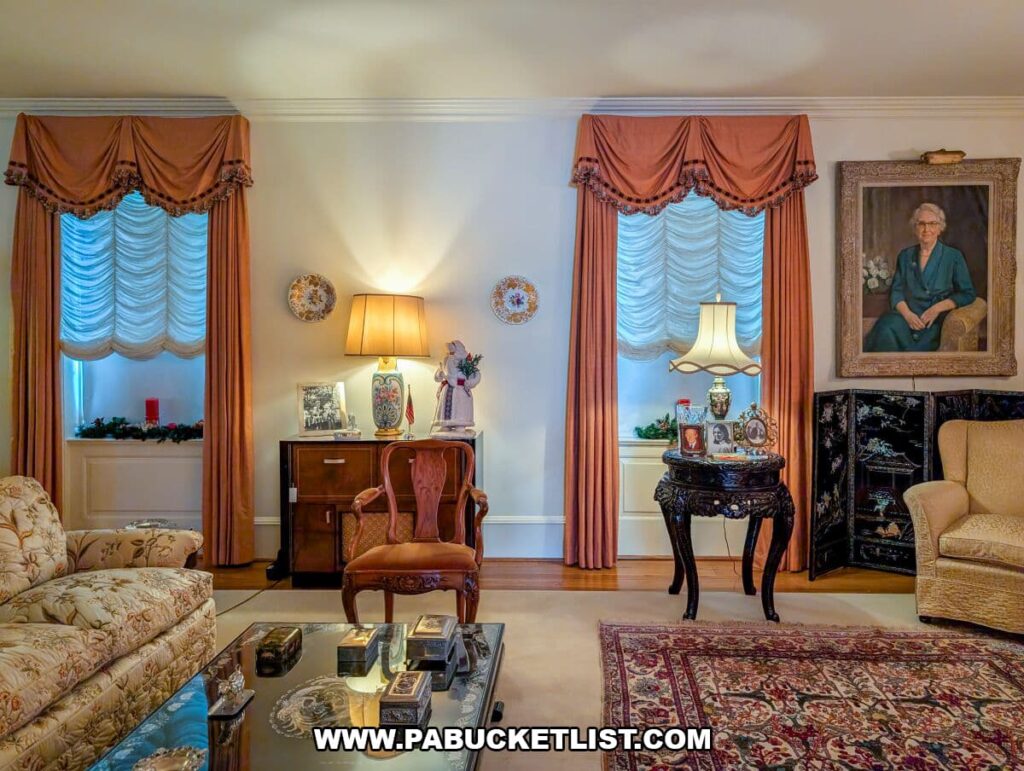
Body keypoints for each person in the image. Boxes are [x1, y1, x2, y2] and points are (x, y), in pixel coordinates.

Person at [864, 202, 976, 352]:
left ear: (940, 228)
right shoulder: (905, 255)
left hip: (931, 322)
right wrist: (908, 315)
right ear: (915, 228)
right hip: (905, 318)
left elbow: (967, 294)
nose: (926, 229)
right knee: (885, 328)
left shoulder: (953, 256)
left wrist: (937, 309)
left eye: (932, 223)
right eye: (921, 224)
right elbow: (896, 292)